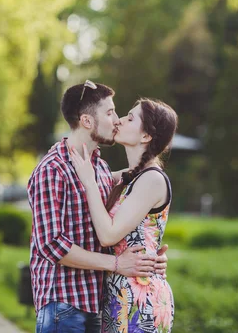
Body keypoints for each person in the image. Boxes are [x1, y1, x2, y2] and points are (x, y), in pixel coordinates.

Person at [28, 81, 168, 333]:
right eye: (110, 112)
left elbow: (142, 185)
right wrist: (116, 264)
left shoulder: (99, 168)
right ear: (87, 121)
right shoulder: (52, 169)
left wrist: (150, 254)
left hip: (97, 303)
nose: (116, 120)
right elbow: (52, 245)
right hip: (64, 305)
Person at [70, 98, 178, 333]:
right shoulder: (131, 177)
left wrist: (88, 181)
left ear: (146, 136)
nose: (119, 120)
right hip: (120, 293)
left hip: (140, 298)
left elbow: (108, 235)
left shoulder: (151, 179)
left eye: (130, 118)